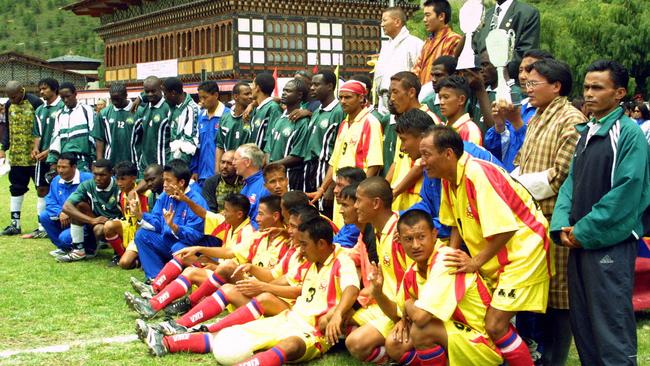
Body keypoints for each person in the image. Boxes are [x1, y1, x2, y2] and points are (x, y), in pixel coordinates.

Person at [426, 125, 551, 366]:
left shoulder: (477, 173)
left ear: (448, 154)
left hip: (524, 252)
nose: (422, 162)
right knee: (490, 322)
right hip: (499, 255)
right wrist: (450, 260)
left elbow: (506, 228)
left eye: (426, 154)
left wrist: (474, 262)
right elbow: (454, 224)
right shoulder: (447, 178)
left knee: (495, 323)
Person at [551, 60, 649, 365]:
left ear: (619, 93)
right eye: (586, 87)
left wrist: (582, 231)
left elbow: (626, 192)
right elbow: (570, 182)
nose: (589, 94)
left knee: (611, 331)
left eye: (598, 87)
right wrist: (561, 225)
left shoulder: (629, 134)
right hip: (579, 244)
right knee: (585, 330)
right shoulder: (588, 130)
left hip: (609, 245)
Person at [496, 58, 585, 365]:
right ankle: (538, 352)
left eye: (533, 84)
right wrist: (515, 180)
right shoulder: (536, 117)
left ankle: (555, 358)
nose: (527, 89)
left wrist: (514, 184)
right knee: (540, 292)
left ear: (556, 86)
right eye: (526, 83)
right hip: (529, 219)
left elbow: (559, 176)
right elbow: (520, 157)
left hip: (553, 218)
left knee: (559, 295)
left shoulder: (571, 119)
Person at [209, 217, 360, 366]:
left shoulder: (342, 261)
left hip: (313, 332)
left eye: (304, 245)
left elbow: (352, 289)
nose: (301, 249)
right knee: (236, 332)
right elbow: (278, 280)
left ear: (321, 244)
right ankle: (188, 335)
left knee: (291, 344)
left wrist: (337, 314)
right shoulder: (310, 261)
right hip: (289, 318)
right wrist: (260, 285)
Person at [392, 210, 503, 365]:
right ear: (400, 241)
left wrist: (409, 304)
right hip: (457, 334)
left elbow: (420, 318)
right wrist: (378, 293)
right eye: (408, 239)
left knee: (421, 331)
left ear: (434, 234)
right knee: (394, 344)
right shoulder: (412, 270)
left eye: (421, 237)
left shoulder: (446, 260)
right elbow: (400, 308)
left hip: (483, 343)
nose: (415, 245)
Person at [345, 177, 409, 364]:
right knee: (338, 324)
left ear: (375, 204)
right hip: (386, 307)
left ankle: (402, 352)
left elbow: (416, 280)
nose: (355, 206)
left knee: (356, 343)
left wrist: (404, 317)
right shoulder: (379, 231)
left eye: (358, 200)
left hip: (403, 312)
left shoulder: (401, 234)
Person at [310, 80, 383, 227]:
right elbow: (334, 160)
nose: (343, 101)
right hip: (341, 193)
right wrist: (322, 189)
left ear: (361, 98)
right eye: (341, 97)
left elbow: (374, 164)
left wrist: (360, 195)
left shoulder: (370, 123)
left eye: (348, 97)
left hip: (355, 196)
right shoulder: (344, 123)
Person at [132, 159, 207, 279]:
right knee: (141, 235)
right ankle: (154, 278)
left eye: (168, 180)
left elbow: (196, 236)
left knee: (179, 248)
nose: (164, 184)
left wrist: (175, 227)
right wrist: (140, 215)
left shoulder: (196, 201)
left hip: (189, 247)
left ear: (181, 182)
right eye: (163, 179)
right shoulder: (164, 196)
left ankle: (186, 277)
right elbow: (157, 223)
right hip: (168, 241)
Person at [484, 49, 554, 171]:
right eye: (520, 70)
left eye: (529, 70)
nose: (522, 76)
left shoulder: (555, 114)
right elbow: (495, 153)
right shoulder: (518, 107)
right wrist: (499, 126)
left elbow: (538, 155)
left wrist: (517, 123)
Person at [0, 80, 44, 235]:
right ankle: (15, 225)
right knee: (16, 188)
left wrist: (40, 148)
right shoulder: (7, 105)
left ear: (21, 91)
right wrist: (3, 148)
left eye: (14, 96)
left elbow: (42, 126)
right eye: (9, 97)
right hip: (17, 157)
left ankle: (42, 227)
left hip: (35, 156)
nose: (12, 100)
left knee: (41, 189)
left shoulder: (35, 102)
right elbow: (6, 127)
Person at [58, 159, 122, 262]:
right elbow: (66, 206)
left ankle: (118, 252)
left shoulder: (119, 185)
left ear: (111, 173)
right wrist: (92, 220)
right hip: (96, 220)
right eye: (95, 174)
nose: (98, 178)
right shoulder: (87, 185)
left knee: (101, 229)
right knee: (79, 206)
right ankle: (78, 251)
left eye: (102, 175)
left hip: (117, 223)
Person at [24, 78, 65, 239]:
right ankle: (42, 227)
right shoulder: (40, 109)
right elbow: (37, 133)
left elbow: (62, 134)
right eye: (40, 89)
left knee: (59, 189)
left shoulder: (63, 107)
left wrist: (49, 151)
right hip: (42, 158)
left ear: (54, 89)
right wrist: (35, 148)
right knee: (41, 189)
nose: (41, 92)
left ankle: (61, 225)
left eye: (45, 89)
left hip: (58, 156)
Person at [302, 70, 344, 215]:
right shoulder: (316, 111)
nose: (312, 88)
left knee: (325, 213)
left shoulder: (338, 111)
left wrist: (330, 187)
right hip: (311, 168)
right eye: (311, 84)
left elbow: (337, 149)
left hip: (325, 168)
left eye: (317, 84)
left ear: (330, 86)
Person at [40, 153, 93, 256]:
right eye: (58, 167)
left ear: (74, 167)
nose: (60, 170)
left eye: (64, 167)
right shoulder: (56, 180)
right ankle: (64, 248)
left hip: (83, 220)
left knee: (65, 238)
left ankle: (87, 247)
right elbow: (50, 201)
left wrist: (70, 213)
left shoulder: (87, 179)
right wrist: (61, 212)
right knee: (44, 216)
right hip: (63, 218)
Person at [374, 7, 424, 114]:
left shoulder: (415, 43)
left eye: (384, 20)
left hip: (404, 100)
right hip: (384, 99)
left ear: (397, 22)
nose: (381, 24)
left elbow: (419, 75)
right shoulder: (386, 46)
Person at [103, 161, 150, 269]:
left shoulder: (145, 195)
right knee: (108, 226)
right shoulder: (122, 193)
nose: (119, 183)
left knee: (125, 264)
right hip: (129, 228)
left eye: (123, 179)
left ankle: (138, 259)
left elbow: (146, 221)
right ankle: (120, 255)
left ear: (133, 178)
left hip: (141, 232)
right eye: (117, 179)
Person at [264, 79, 310, 190]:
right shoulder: (279, 118)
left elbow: (297, 155)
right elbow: (268, 148)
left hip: (290, 176)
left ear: (299, 95)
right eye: (284, 90)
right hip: (273, 175)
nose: (284, 93)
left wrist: (272, 166)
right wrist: (269, 165)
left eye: (288, 91)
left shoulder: (302, 121)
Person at [472, 0, 541, 64]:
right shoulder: (485, 16)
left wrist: (496, 67)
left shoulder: (527, 13)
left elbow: (526, 53)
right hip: (481, 75)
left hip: (509, 74)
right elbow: (475, 49)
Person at [48, 82, 96, 171]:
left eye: (68, 96)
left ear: (75, 94)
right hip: (65, 161)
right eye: (62, 98)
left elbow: (93, 135)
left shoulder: (86, 110)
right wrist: (53, 162)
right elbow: (55, 138)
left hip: (83, 160)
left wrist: (94, 160)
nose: (65, 100)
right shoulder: (60, 114)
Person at [412, 0, 462, 85]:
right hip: (423, 94)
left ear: (441, 16)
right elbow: (417, 69)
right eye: (424, 16)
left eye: (428, 15)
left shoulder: (454, 40)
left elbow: (451, 72)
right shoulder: (428, 42)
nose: (424, 20)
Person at [192, 81, 228, 185]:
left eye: (205, 97)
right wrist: (195, 170)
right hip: (201, 175)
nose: (202, 101)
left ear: (216, 95)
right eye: (200, 98)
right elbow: (196, 145)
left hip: (220, 174)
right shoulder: (200, 116)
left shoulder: (227, 115)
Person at [93, 83, 137, 165]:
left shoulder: (137, 111)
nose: (115, 102)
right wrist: (99, 161)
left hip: (133, 160)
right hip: (111, 161)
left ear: (126, 95)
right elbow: (99, 138)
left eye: (118, 99)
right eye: (113, 99)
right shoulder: (104, 114)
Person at [135, 76, 171, 173]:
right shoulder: (142, 109)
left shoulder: (168, 107)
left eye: (153, 91)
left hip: (163, 166)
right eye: (147, 92)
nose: (150, 94)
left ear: (161, 89)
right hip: (145, 166)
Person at [216, 81, 253, 171]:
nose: (250, 96)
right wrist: (217, 170)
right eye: (246, 94)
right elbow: (220, 146)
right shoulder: (225, 117)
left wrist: (252, 105)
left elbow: (274, 101)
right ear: (236, 97)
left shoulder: (254, 115)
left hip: (247, 169)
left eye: (251, 93)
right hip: (229, 169)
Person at [162, 77, 200, 164]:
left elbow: (190, 141)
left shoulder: (191, 109)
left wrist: (173, 165)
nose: (164, 97)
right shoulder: (171, 105)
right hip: (168, 157)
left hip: (181, 162)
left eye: (165, 94)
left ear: (173, 93)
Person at [438, 75, 483, 145]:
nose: (441, 102)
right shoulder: (442, 127)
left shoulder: (470, 131)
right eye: (440, 97)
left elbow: (471, 156)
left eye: (446, 97)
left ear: (461, 100)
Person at [233, 143, 270, 226]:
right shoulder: (246, 185)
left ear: (247, 162)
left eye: (235, 159)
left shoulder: (265, 186)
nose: (233, 163)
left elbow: (262, 223)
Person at [249, 72, 282, 150]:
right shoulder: (257, 108)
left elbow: (271, 138)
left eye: (252, 84)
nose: (250, 87)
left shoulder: (273, 108)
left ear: (257, 88)